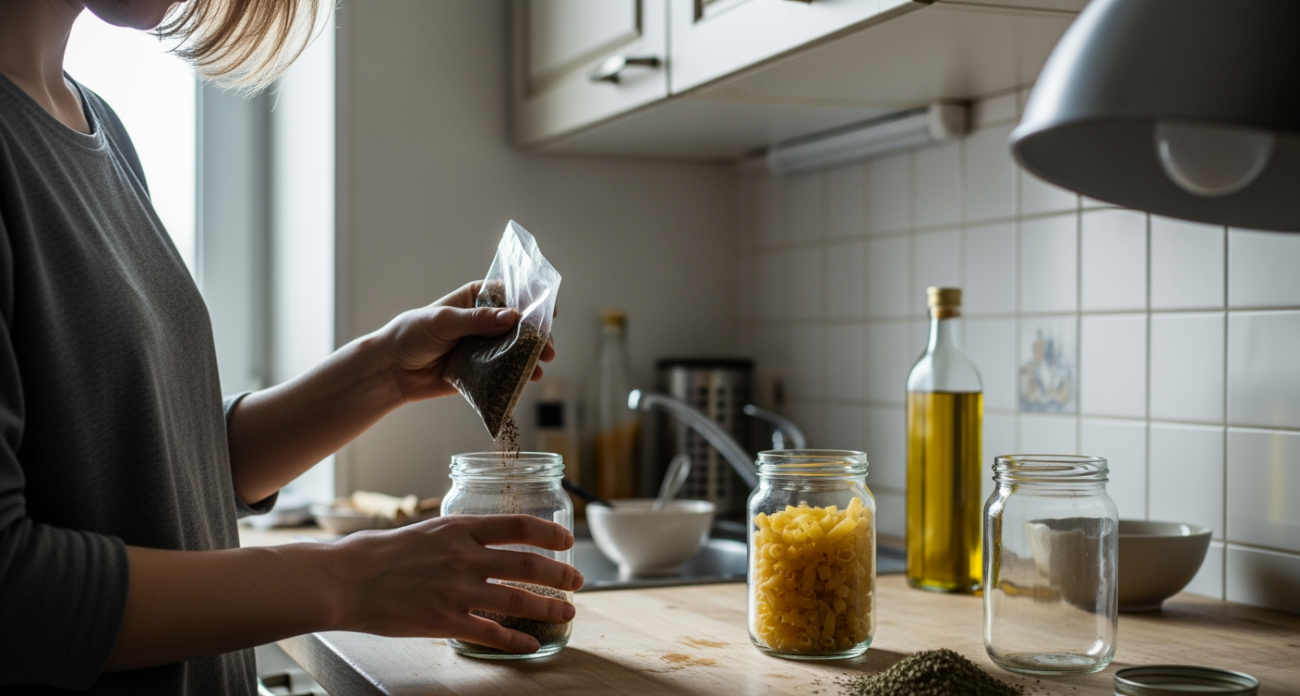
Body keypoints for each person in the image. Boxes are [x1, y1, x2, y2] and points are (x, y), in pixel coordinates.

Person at [0, 0, 582, 692]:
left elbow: (154, 469)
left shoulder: (96, 126)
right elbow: (14, 593)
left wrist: (381, 373)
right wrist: (350, 580)